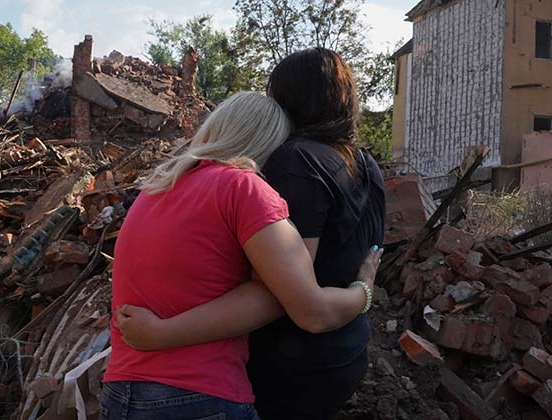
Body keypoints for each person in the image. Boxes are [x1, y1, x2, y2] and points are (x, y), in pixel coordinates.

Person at [116, 48, 386, 420]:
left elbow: (288, 297)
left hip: (132, 385)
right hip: (306, 361)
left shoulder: (156, 189)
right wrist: (365, 289)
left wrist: (159, 333)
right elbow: (295, 299)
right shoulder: (365, 166)